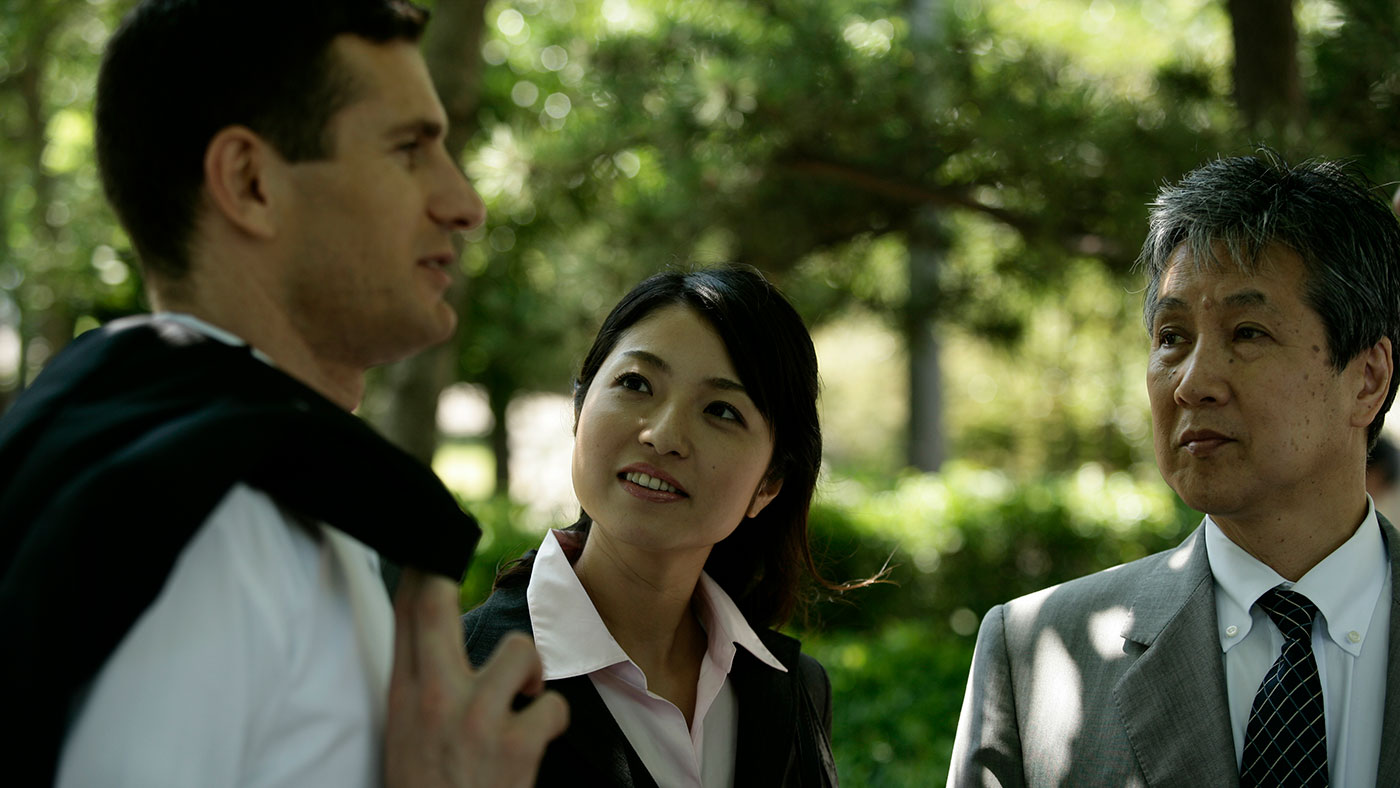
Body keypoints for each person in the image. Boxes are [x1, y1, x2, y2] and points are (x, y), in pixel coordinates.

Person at [0, 1, 566, 785]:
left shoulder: (113, 438)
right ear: (250, 182)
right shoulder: (215, 527)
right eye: (409, 150)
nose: (464, 204)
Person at [948, 152, 1400, 786]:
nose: (1193, 383)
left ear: (1368, 378)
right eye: (1171, 337)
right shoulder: (1033, 653)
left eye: (1247, 332)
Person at [462, 266, 842, 787]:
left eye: (722, 411)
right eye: (636, 383)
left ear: (770, 483)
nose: (663, 436)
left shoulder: (795, 691)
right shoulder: (457, 678)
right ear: (580, 408)